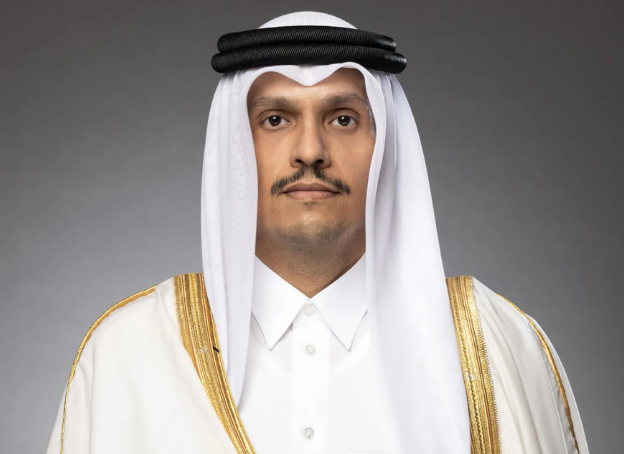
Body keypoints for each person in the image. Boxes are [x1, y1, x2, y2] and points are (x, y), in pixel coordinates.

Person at [46, 11, 589, 454]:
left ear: (385, 146)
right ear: (235, 149)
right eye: (275, 120)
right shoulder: (130, 351)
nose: (310, 151)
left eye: (343, 118)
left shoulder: (495, 347)